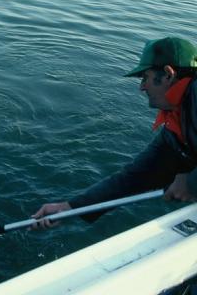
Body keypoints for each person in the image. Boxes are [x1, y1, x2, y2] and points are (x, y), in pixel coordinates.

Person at [32, 37, 197, 229]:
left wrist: (191, 183)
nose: (142, 87)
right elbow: (136, 176)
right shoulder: (176, 118)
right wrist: (71, 207)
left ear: (168, 74)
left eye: (146, 78)